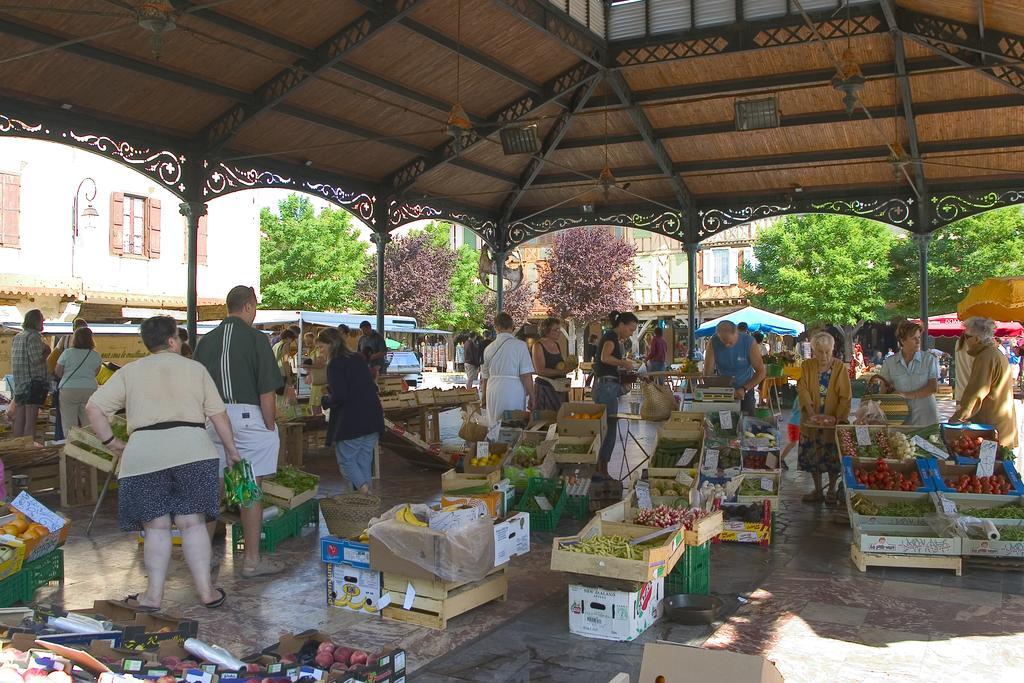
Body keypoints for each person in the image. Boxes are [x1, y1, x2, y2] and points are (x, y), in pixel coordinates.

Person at [85, 315, 237, 610]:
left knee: (155, 528)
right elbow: (219, 416)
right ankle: (207, 592)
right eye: (178, 337)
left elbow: (94, 407)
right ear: (171, 340)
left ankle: (153, 596)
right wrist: (232, 451)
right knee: (192, 524)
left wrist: (111, 443)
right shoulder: (195, 369)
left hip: (144, 455)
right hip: (193, 451)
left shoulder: (130, 372)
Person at [193, 285, 285, 578]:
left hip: (212, 420)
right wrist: (269, 425)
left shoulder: (205, 342)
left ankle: (201, 558)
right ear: (248, 307)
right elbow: (267, 392)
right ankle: (251, 562)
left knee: (212, 489)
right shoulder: (257, 340)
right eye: (255, 308)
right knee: (248, 488)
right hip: (247, 419)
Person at [319, 328, 384, 492]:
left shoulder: (334, 363)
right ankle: (366, 505)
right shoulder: (357, 357)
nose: (319, 351)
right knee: (363, 460)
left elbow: (340, 395)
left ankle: (364, 493)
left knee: (346, 460)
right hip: (373, 417)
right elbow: (361, 384)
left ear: (330, 345)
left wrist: (326, 400)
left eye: (321, 347)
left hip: (352, 421)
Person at [796, 332, 852, 506]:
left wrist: (836, 418)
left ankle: (832, 490)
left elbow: (845, 396)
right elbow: (803, 389)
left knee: (832, 456)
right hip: (810, 420)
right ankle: (818, 490)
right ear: (813, 351)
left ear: (833, 350)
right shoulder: (807, 366)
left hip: (832, 420)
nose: (824, 356)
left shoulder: (840, 367)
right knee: (813, 455)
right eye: (820, 352)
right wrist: (812, 413)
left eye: (828, 351)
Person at [951, 317, 1019, 449]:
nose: (965, 340)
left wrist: (957, 418)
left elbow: (976, 393)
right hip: (999, 425)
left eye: (967, 336)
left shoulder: (985, 357)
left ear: (976, 339)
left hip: (992, 428)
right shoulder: (994, 353)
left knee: (990, 467)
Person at [592, 311, 640, 478]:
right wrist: (623, 363)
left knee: (606, 428)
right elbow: (605, 358)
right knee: (608, 429)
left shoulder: (612, 337)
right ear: (621, 325)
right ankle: (602, 469)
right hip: (606, 388)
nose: (631, 333)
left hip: (606, 386)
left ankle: (600, 468)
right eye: (630, 329)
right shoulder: (611, 337)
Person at [873, 321, 939, 428]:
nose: (918, 341)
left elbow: (933, 388)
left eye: (919, 337)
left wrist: (905, 395)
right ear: (902, 341)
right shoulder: (890, 362)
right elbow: (884, 390)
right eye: (913, 338)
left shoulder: (929, 360)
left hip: (927, 419)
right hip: (899, 420)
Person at [480, 312, 535, 429]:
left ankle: (494, 445)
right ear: (512, 326)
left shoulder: (488, 349)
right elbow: (526, 374)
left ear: (496, 327)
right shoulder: (520, 345)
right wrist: (532, 396)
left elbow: (485, 377)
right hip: (513, 389)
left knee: (494, 424)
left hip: (493, 389)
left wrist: (484, 397)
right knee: (513, 422)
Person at [703, 320, 767, 416]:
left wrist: (744, 388)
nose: (726, 345)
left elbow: (761, 372)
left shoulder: (749, 342)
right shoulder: (713, 342)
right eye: (723, 342)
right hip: (724, 389)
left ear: (736, 333)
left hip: (746, 388)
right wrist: (713, 389)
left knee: (746, 423)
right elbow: (708, 372)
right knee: (723, 423)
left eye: (730, 342)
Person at [54, 327, 102, 431]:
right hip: (89, 389)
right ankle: (88, 444)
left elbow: (57, 371)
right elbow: (96, 373)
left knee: (69, 422)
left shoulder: (67, 353)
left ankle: (72, 444)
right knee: (88, 421)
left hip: (69, 389)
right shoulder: (96, 355)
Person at [48, 317, 88, 440]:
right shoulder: (89, 344)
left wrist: (54, 375)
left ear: (73, 328)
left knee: (63, 414)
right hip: (86, 384)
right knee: (84, 416)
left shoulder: (65, 340)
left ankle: (61, 440)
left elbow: (51, 360)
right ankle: (84, 441)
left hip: (66, 381)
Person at [10, 309, 48, 438]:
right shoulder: (34, 337)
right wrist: (47, 352)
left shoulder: (18, 337)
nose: (43, 322)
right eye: (42, 319)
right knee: (31, 420)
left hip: (20, 383)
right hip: (33, 383)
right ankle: (28, 449)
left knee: (19, 417)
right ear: (36, 321)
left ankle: (17, 448)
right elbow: (36, 360)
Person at [533, 317, 569, 412]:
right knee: (546, 421)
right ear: (546, 331)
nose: (559, 332)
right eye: (555, 330)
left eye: (559, 329)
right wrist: (562, 371)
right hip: (545, 389)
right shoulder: (538, 345)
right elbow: (540, 371)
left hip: (559, 388)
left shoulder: (556, 345)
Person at [302, 332, 327, 414]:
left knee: (316, 406)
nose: (308, 344)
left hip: (320, 382)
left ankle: (319, 422)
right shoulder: (312, 351)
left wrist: (308, 366)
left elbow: (321, 364)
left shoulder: (319, 351)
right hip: (316, 381)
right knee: (315, 406)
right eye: (306, 342)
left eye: (310, 341)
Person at [954, 332, 974, 405]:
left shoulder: (959, 343)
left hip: (960, 394)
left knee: (960, 415)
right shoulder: (977, 346)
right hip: (974, 395)